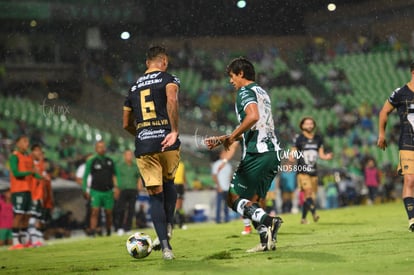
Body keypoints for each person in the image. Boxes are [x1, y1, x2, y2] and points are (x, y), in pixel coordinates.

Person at [205, 57, 283, 253]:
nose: (231, 81)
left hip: (257, 154)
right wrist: (225, 138)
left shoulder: (244, 91)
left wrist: (231, 136)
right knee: (252, 201)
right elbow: (256, 127)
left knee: (233, 199)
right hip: (273, 153)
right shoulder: (262, 92)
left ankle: (269, 221)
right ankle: (266, 240)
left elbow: (253, 116)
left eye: (232, 76)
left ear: (240, 74)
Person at [123, 45, 180, 260]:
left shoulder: (133, 87)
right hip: (167, 140)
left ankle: (166, 248)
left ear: (147, 63)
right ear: (163, 62)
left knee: (155, 196)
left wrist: (142, 133)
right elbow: (172, 100)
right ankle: (168, 225)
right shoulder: (168, 79)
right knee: (169, 183)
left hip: (145, 144)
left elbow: (126, 122)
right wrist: (173, 131)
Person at [377, 61, 414, 232]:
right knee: (410, 180)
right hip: (408, 142)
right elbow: (384, 111)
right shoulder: (400, 93)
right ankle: (412, 219)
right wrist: (382, 134)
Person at [292, 116, 333, 224]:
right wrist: (291, 156)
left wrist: (326, 157)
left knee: (310, 197)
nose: (309, 125)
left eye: (311, 123)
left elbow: (321, 154)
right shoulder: (298, 138)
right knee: (308, 191)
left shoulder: (318, 138)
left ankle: (303, 218)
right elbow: (293, 151)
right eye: (307, 123)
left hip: (314, 171)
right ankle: (314, 213)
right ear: (302, 125)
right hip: (303, 171)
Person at [8, 135, 42, 250]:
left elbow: (33, 174)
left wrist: (40, 177)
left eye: (27, 141)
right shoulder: (14, 156)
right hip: (18, 190)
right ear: (18, 143)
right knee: (18, 215)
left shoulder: (27, 157)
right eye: (24, 141)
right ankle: (15, 242)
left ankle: (24, 240)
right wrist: (30, 172)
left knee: (26, 216)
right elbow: (16, 173)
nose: (27, 144)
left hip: (28, 190)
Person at [82, 140, 119, 237]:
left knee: (108, 213)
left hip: (108, 191)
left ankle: (108, 231)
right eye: (99, 147)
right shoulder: (91, 161)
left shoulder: (110, 161)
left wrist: (116, 188)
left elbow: (115, 175)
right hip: (95, 191)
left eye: (103, 147)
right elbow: (85, 176)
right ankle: (93, 232)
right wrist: (85, 189)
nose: (102, 149)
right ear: (95, 149)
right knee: (95, 211)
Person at [113, 149, 141, 236]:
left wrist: (139, 186)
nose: (129, 156)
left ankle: (128, 228)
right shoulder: (119, 166)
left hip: (133, 189)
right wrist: (116, 187)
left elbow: (139, 177)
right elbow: (114, 176)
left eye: (130, 155)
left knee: (131, 209)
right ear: (124, 156)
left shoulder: (135, 166)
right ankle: (120, 227)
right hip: (122, 189)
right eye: (127, 155)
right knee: (121, 209)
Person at [211, 149, 233, 224]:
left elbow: (230, 176)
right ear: (220, 155)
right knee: (219, 205)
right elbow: (214, 176)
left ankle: (227, 219)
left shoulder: (229, 165)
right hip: (220, 188)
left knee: (227, 205)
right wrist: (218, 186)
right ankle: (218, 219)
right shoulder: (216, 164)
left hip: (227, 188)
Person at [174, 160, 187, 229]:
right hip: (174, 185)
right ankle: (178, 223)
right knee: (176, 206)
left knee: (180, 206)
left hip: (180, 186)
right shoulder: (170, 163)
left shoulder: (182, 165)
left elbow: (183, 176)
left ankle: (180, 222)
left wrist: (185, 185)